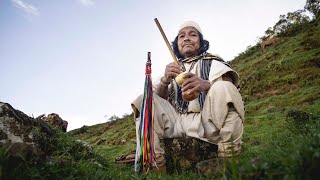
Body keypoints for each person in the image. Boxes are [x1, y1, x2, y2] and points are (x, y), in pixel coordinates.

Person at [131, 21, 244, 170]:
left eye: (193, 34)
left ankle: (229, 161)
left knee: (224, 87)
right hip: (175, 122)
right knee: (144, 100)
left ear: (201, 41)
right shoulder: (172, 68)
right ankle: (155, 166)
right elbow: (158, 101)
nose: (187, 39)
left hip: (206, 122)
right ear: (177, 44)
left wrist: (205, 84)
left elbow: (230, 87)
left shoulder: (213, 61)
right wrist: (165, 81)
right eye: (181, 36)